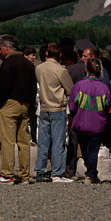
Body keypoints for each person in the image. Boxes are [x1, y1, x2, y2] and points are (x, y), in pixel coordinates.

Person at [0, 34, 37, 184]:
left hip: (9, 104)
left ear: (7, 47)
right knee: (24, 142)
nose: (0, 51)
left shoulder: (8, 63)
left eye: (0, 48)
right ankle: (25, 175)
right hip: (25, 104)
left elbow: (2, 87)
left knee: (6, 140)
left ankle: (7, 174)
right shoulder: (28, 64)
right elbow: (33, 88)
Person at [34, 43, 74, 183]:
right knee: (58, 142)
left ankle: (40, 170)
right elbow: (70, 90)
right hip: (57, 108)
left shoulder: (39, 68)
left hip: (44, 107)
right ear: (60, 55)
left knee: (43, 142)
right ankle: (57, 173)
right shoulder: (61, 70)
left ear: (46, 54)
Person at [69, 57, 111, 185]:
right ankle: (91, 174)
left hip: (81, 123)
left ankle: (91, 174)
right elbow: (107, 106)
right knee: (93, 149)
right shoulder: (104, 87)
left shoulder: (79, 85)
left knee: (86, 150)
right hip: (97, 124)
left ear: (86, 69)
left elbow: (72, 106)